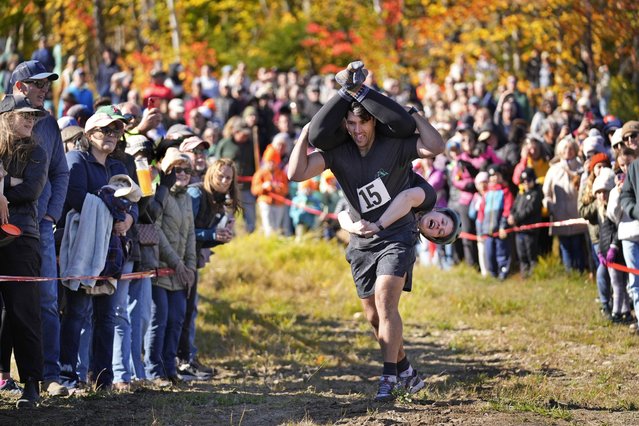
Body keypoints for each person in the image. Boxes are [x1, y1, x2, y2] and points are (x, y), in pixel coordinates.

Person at [288, 61, 449, 402]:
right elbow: (296, 173)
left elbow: (435, 147)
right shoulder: (338, 152)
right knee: (374, 318)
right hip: (361, 242)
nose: (358, 129)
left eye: (363, 122)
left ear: (373, 121)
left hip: (397, 236)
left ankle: (387, 380)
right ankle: (404, 367)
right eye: (351, 122)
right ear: (344, 124)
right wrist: (304, 134)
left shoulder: (395, 146)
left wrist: (415, 114)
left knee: (385, 303)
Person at [59, 112, 137, 391]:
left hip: (112, 249)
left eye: (116, 131)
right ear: (90, 134)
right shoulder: (76, 160)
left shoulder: (119, 165)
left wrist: (128, 219)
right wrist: (114, 214)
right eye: (106, 130)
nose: (112, 135)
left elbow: (133, 201)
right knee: (76, 313)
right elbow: (76, 198)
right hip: (82, 245)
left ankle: (102, 379)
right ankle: (67, 377)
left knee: (106, 316)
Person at [10, 59, 70, 397]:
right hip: (5, 224)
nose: (45, 89)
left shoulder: (49, 125)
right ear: (20, 87)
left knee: (45, 301)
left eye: (47, 83)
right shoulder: (4, 121)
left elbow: (61, 172)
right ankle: (7, 375)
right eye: (38, 83)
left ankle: (49, 376)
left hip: (39, 227)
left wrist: (51, 215)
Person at [0, 94, 48, 408]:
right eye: (24, 115)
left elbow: (31, 191)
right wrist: (7, 186)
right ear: (6, 117)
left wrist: (2, 192)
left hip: (22, 237)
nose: (30, 120)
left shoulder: (38, 153)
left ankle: (32, 384)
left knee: (24, 313)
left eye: (33, 116)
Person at [178, 158, 241, 380]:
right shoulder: (197, 194)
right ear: (211, 175)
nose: (224, 181)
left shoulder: (217, 199)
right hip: (180, 260)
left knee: (189, 312)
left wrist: (218, 236)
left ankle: (187, 358)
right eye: (220, 176)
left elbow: (200, 237)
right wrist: (211, 234)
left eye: (228, 178)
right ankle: (182, 362)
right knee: (181, 314)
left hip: (192, 259)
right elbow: (185, 231)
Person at [145, 148, 196, 385]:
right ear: (167, 170)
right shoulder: (160, 193)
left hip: (180, 273)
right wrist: (177, 263)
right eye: (177, 169)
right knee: (159, 320)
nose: (182, 173)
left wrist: (191, 267)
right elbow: (155, 230)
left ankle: (169, 367)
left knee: (177, 319)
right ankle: (154, 370)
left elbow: (191, 236)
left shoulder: (186, 197)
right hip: (160, 268)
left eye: (187, 169)